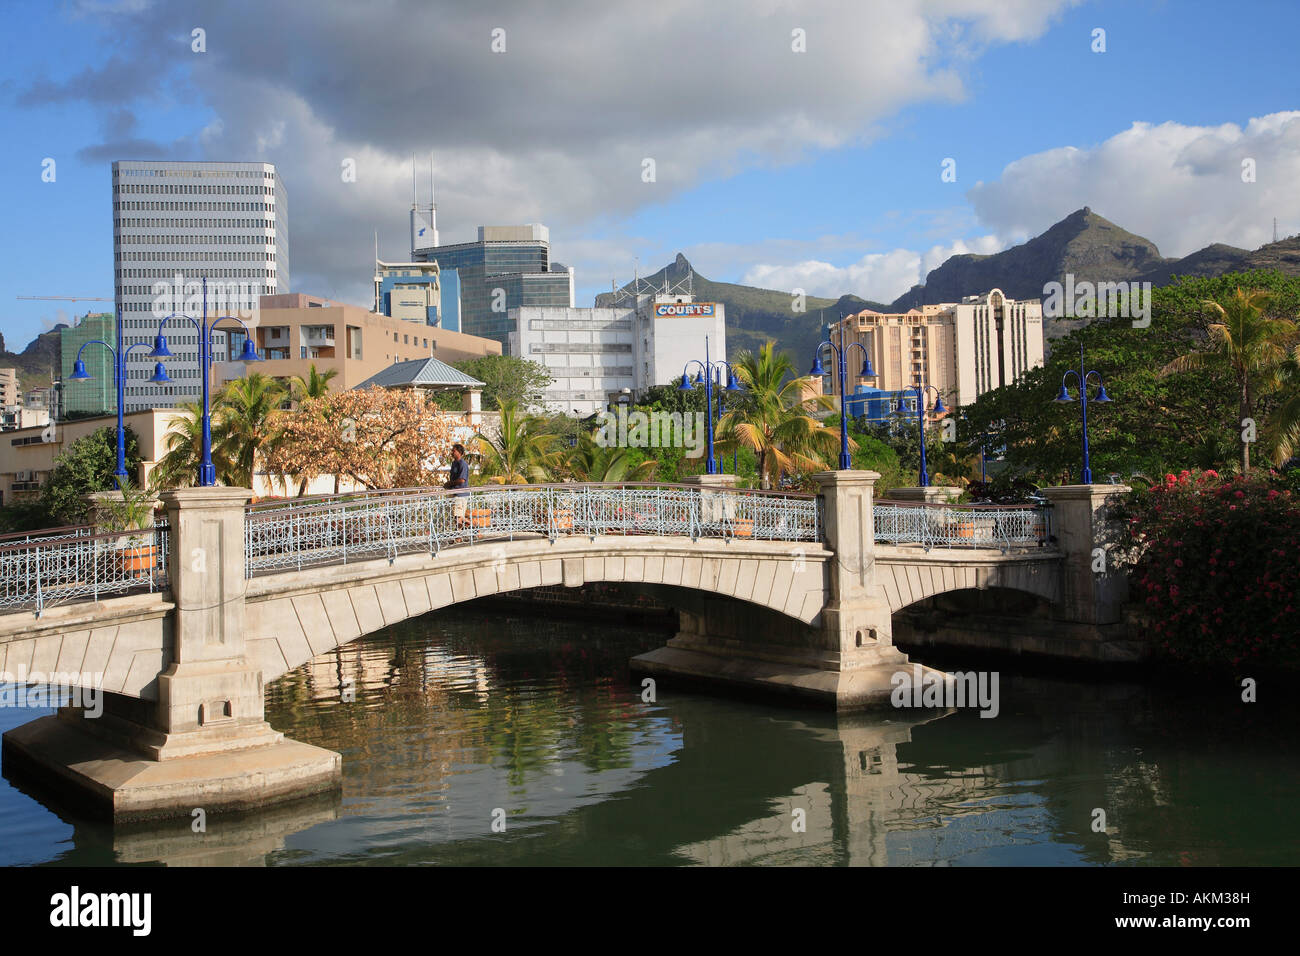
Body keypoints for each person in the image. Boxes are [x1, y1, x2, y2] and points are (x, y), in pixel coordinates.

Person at [445, 443, 470, 526]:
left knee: (458, 517)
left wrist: (450, 483)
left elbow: (462, 480)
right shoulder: (454, 463)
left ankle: (458, 537)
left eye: (454, 451)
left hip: (461, 494)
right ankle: (476, 529)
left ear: (459, 452)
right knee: (458, 516)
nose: (452, 452)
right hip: (454, 493)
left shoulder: (462, 464)